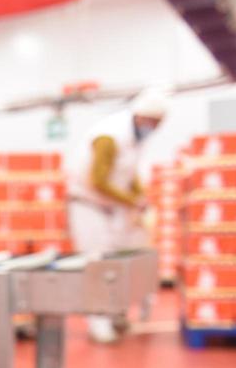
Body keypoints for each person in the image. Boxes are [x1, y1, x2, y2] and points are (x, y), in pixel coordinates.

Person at [67, 87, 170, 344]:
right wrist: (131, 201)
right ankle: (98, 322)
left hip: (112, 206)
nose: (155, 129)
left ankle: (115, 314)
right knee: (97, 264)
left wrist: (140, 197)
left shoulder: (135, 138)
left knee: (119, 262)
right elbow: (98, 181)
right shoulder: (109, 136)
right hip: (88, 205)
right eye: (153, 123)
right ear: (142, 116)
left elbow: (129, 173)